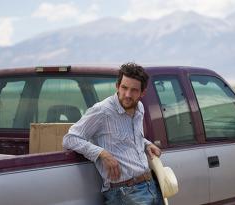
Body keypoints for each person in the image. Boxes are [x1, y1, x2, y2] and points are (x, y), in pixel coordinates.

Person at [63, 62, 164, 205]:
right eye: (124, 88)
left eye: (134, 90)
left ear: (143, 93)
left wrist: (146, 144)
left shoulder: (139, 108)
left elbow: (129, 135)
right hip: (124, 193)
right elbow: (70, 138)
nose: (127, 95)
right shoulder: (102, 111)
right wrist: (103, 154)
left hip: (150, 186)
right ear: (117, 86)